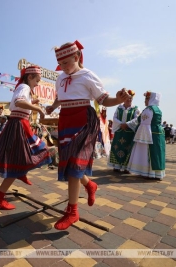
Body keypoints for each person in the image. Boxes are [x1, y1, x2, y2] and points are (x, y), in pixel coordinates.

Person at [45, 40, 130, 230]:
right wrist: (53, 106)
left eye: (67, 62)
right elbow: (60, 97)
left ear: (76, 57)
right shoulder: (60, 78)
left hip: (84, 121)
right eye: (61, 64)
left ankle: (72, 211)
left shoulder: (87, 76)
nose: (64, 67)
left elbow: (104, 99)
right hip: (66, 120)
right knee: (69, 165)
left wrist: (119, 99)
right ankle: (90, 185)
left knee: (74, 163)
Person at [0, 66, 51, 210]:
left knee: (23, 155)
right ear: (30, 77)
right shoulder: (24, 87)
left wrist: (32, 104)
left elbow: (18, 104)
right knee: (24, 157)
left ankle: (21, 172)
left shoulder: (23, 87)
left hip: (19, 124)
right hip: (18, 125)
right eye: (37, 80)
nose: (38, 84)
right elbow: (18, 102)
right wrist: (37, 109)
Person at [125, 91, 165, 180]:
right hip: (158, 134)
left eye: (146, 99)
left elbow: (142, 122)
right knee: (156, 153)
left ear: (151, 99)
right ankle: (156, 173)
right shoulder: (158, 109)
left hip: (149, 134)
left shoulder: (149, 109)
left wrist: (129, 126)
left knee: (148, 153)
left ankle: (148, 173)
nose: (145, 101)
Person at [108, 90, 140, 173]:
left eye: (130, 99)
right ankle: (117, 166)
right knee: (117, 147)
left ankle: (127, 167)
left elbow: (137, 119)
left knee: (128, 149)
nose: (128, 100)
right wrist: (121, 124)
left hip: (129, 132)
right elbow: (115, 117)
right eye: (127, 98)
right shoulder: (119, 108)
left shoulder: (135, 108)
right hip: (119, 131)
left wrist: (127, 124)